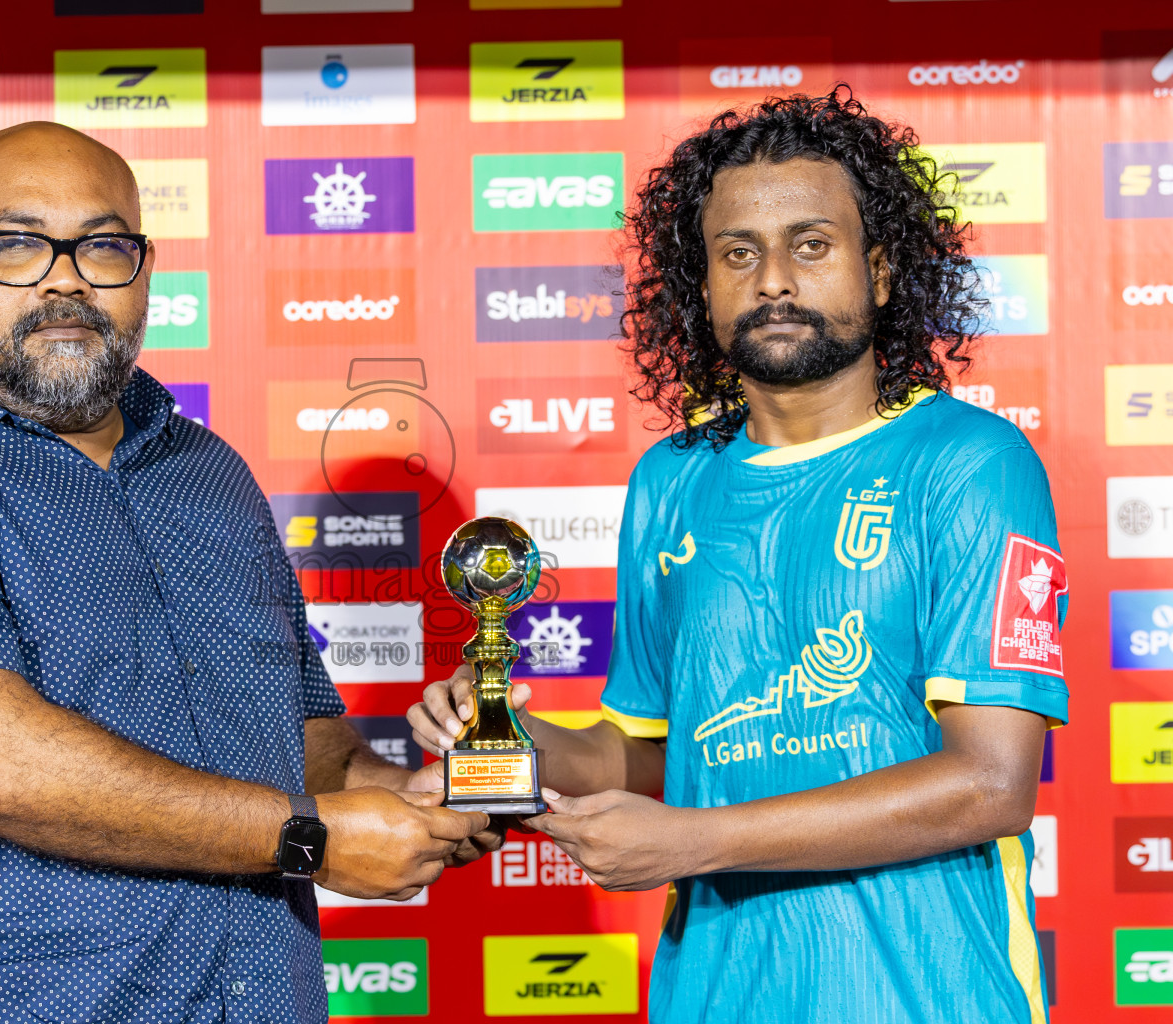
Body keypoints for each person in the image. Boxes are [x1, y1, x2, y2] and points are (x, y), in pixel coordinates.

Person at [0, 121, 492, 1024]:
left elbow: (297, 734)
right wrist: (312, 838)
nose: (65, 278)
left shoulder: (207, 472)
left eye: (102, 245)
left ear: (145, 266)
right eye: (14, 245)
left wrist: (393, 792)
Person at [410, 88, 1065, 1024]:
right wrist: (507, 743)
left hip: (926, 993)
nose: (772, 282)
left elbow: (988, 786)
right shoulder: (670, 480)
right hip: (714, 992)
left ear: (879, 271)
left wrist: (695, 841)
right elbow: (654, 758)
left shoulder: (971, 464)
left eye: (811, 245)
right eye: (738, 254)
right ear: (702, 285)